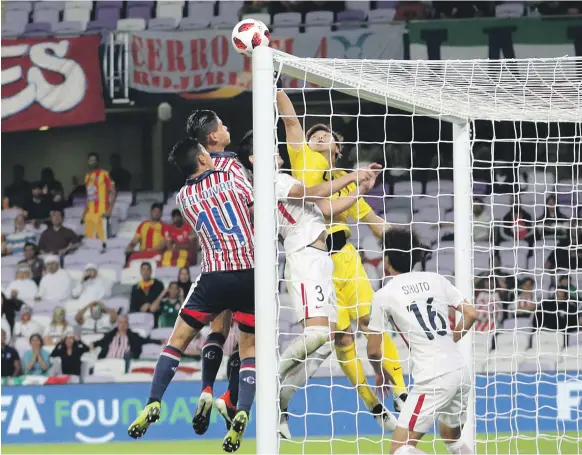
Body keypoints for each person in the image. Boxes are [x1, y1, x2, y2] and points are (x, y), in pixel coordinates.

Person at [234, 131, 395, 438]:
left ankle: (280, 403)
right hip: (304, 257)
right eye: (270, 147)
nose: (278, 148)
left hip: (321, 259)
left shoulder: (278, 182)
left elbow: (325, 209)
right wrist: (351, 176)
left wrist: (359, 188)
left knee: (325, 345)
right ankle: (270, 379)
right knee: (319, 334)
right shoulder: (274, 180)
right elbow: (315, 192)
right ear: (255, 159)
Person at [276, 88, 408, 413]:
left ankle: (402, 392)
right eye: (313, 134)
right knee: (341, 338)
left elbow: (377, 224)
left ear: (339, 146)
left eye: (326, 134)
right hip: (315, 259)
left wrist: (410, 247)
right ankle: (373, 404)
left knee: (371, 324)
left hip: (346, 258)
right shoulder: (301, 162)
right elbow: (292, 122)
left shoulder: (348, 181)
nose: (319, 135)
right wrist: (273, 81)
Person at [128, 137, 256, 453]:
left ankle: (153, 402)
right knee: (249, 347)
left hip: (213, 276)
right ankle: (242, 410)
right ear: (202, 156)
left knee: (177, 341)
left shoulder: (184, 197)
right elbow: (253, 211)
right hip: (249, 271)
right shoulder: (231, 175)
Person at [366, 228, 477, 455]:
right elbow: (471, 314)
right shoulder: (436, 279)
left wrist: (380, 372)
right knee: (452, 439)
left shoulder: (384, 294)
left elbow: (373, 350)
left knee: (399, 450)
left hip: (432, 376)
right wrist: (450, 339)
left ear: (387, 260)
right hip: (460, 372)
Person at [183, 109, 254, 429]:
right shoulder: (229, 166)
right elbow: (250, 209)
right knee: (248, 338)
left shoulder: (194, 178)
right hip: (243, 260)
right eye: (222, 125)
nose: (227, 128)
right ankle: (233, 398)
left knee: (218, 328)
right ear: (212, 137)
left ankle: (207, 389)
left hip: (213, 263)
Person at [84, 152, 116, 253]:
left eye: (94, 160)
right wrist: (84, 213)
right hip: (90, 214)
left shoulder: (104, 174)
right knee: (91, 242)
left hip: (102, 212)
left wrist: (110, 209)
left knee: (103, 241)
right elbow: (88, 196)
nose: (92, 162)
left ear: (98, 162)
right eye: (90, 160)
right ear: (87, 162)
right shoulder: (87, 176)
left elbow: (113, 191)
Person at [92, 314, 162, 359]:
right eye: (120, 322)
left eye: (125, 322)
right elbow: (99, 342)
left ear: (128, 324)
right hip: (107, 360)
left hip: (123, 362)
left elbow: (145, 340)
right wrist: (92, 345)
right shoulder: (110, 335)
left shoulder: (133, 336)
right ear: (117, 324)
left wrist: (159, 341)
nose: (123, 325)